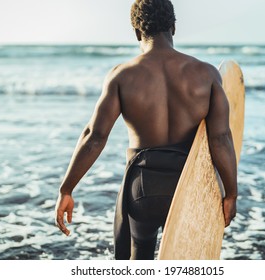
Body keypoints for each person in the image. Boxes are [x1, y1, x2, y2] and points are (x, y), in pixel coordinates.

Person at [55, 0, 237, 260]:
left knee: (139, 260)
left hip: (142, 186)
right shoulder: (207, 75)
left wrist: (66, 189)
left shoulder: (122, 75)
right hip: (190, 185)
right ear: (173, 28)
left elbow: (94, 137)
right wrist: (231, 193)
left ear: (137, 33)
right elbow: (221, 138)